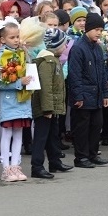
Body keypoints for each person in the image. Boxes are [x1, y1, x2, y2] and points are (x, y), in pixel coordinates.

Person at [0, 18, 32, 182]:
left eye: (17, 37)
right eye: (12, 37)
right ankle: (6, 168)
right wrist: (17, 83)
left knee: (19, 134)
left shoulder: (22, 53)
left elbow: (30, 70)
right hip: (8, 102)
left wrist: (26, 53)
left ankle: (16, 165)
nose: (16, 40)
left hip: (22, 101)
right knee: (6, 134)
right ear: (2, 39)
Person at [68, 12, 108, 168]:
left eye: (101, 29)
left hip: (97, 95)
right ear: (88, 29)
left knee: (96, 126)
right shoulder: (78, 48)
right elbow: (75, 75)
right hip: (84, 96)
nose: (99, 33)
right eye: (96, 29)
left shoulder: (98, 48)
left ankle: (93, 154)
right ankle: (81, 157)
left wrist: (105, 93)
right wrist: (78, 96)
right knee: (82, 128)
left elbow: (103, 72)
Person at [31, 28, 73, 178]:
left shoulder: (53, 59)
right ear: (55, 45)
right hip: (45, 108)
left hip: (52, 107)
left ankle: (54, 161)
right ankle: (37, 166)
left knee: (52, 135)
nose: (65, 47)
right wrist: (47, 109)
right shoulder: (47, 62)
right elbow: (45, 87)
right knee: (41, 136)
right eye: (63, 45)